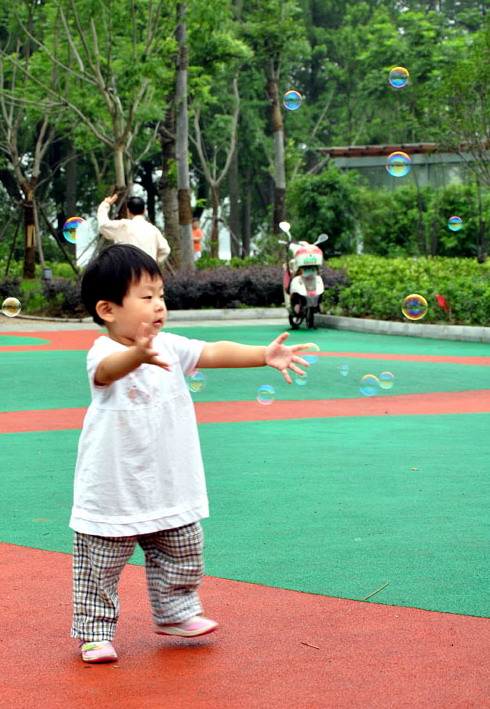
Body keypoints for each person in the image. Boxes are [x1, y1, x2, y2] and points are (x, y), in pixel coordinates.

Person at [71, 243, 309, 663]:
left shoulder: (170, 346)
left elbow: (212, 351)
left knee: (184, 550)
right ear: (108, 310)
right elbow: (107, 372)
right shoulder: (105, 352)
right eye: (146, 297)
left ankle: (175, 612)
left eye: (161, 294)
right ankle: (94, 632)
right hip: (113, 489)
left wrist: (263, 356)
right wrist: (136, 356)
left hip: (168, 485)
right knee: (99, 567)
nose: (159, 305)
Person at [97, 194, 170, 265]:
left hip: (127, 272)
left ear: (128, 211)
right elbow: (165, 250)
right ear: (144, 210)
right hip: (148, 273)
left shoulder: (123, 226)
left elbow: (103, 225)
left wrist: (105, 204)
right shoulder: (153, 229)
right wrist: (153, 262)